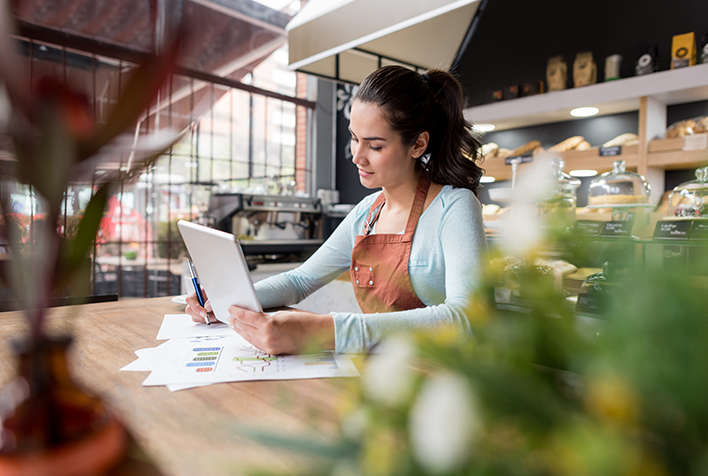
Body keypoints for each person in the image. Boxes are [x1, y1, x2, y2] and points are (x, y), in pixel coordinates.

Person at [185, 65, 488, 355]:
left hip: (441, 379)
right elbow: (300, 280)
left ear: (418, 144)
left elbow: (466, 319)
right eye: (354, 138)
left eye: (375, 146)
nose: (357, 156)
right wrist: (228, 301)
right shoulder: (366, 213)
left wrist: (324, 330)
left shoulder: (455, 207)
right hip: (384, 377)